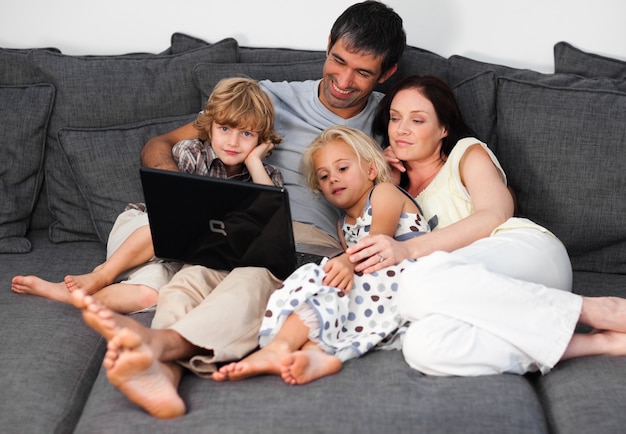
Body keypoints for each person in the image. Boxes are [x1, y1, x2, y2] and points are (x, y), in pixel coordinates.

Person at [71, 0, 407, 419]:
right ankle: (161, 373)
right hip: (235, 228)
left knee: (250, 282)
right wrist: (187, 194)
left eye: (362, 72)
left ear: (386, 74)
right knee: (188, 280)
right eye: (338, 61)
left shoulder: (393, 119)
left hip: (309, 243)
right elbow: (159, 145)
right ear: (327, 46)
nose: (342, 80)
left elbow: (445, 171)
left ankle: (159, 348)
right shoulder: (269, 100)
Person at [345, 74, 626, 376]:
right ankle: (600, 343)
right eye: (395, 118)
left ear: (443, 128)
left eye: (417, 120)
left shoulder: (466, 154)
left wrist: (407, 248)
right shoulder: (391, 191)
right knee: (422, 345)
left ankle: (595, 310)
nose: (401, 130)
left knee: (416, 282)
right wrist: (391, 184)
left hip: (527, 255)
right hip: (483, 299)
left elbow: (495, 214)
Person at [12, 77, 282, 313]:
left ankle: (74, 298)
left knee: (149, 295)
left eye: (246, 134)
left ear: (262, 140)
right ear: (209, 128)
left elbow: (269, 219)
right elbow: (173, 211)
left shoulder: (266, 175)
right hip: (140, 234)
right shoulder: (191, 153)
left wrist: (255, 163)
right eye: (225, 129)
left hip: (180, 256)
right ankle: (102, 275)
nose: (233, 142)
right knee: (170, 222)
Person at [213, 126, 429, 385]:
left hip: (405, 273)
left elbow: (378, 244)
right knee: (327, 281)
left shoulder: (384, 192)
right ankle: (316, 353)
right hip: (375, 283)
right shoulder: (343, 223)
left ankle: (278, 347)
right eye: (324, 176)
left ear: (371, 170)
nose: (333, 179)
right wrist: (342, 266)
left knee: (328, 277)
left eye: (342, 169)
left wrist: (345, 263)